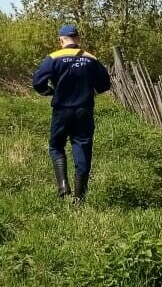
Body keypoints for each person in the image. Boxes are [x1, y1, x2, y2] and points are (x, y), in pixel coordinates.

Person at [32, 24, 111, 202]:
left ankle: (62, 185)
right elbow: (106, 84)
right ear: (78, 39)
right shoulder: (91, 59)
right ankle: (79, 197)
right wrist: (91, 92)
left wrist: (50, 92)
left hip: (61, 111)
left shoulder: (53, 57)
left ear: (61, 40)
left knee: (56, 146)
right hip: (84, 111)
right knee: (82, 147)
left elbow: (37, 82)